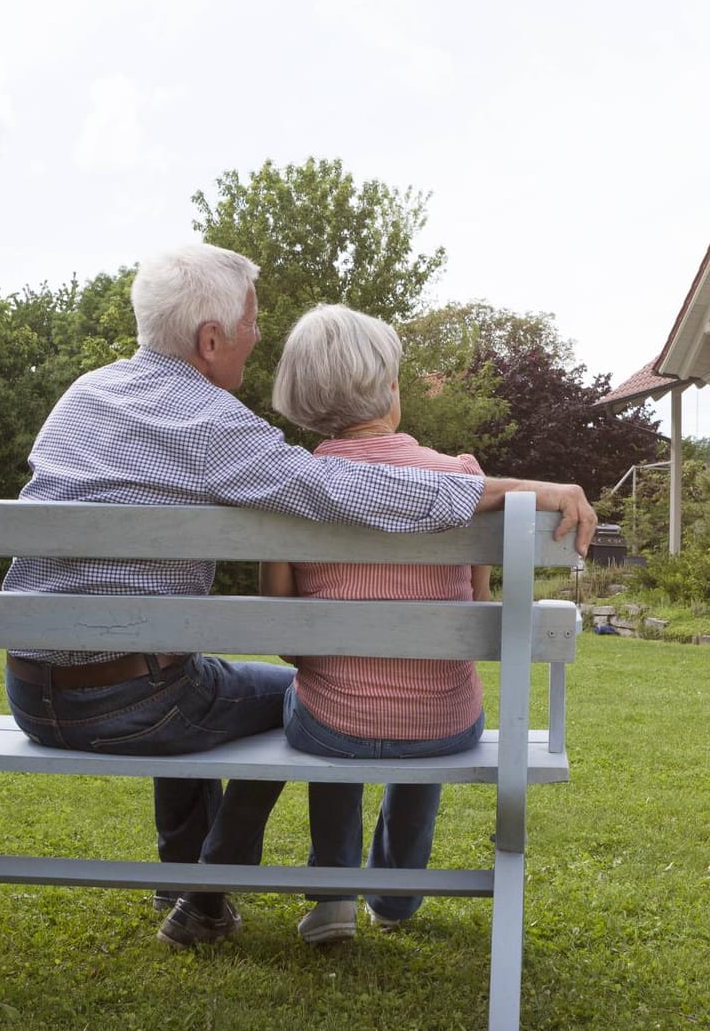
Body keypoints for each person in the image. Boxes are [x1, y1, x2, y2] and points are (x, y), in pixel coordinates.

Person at [0, 243, 596, 951]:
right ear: (210, 339)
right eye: (252, 321)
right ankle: (203, 895)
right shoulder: (209, 421)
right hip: (137, 704)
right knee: (284, 692)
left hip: (32, 693)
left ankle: (189, 883)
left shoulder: (85, 393)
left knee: (210, 679)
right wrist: (521, 490)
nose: (259, 333)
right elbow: (344, 489)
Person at [261, 303, 493, 945]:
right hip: (443, 725)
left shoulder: (292, 488)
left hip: (333, 725)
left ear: (303, 401)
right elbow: (474, 617)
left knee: (322, 708)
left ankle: (332, 896)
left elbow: (285, 642)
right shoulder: (463, 481)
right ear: (390, 390)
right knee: (426, 716)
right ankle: (395, 896)